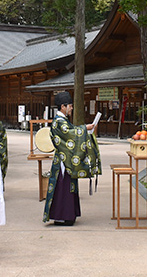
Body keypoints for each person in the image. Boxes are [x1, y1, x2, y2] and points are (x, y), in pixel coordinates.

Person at [42, 91, 102, 226]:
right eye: (70, 105)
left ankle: (68, 215)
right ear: (63, 107)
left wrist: (84, 129)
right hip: (63, 161)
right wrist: (85, 128)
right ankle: (61, 216)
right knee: (63, 188)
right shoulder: (59, 122)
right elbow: (70, 134)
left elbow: (72, 131)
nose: (71, 108)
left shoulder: (62, 121)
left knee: (67, 187)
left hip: (66, 159)